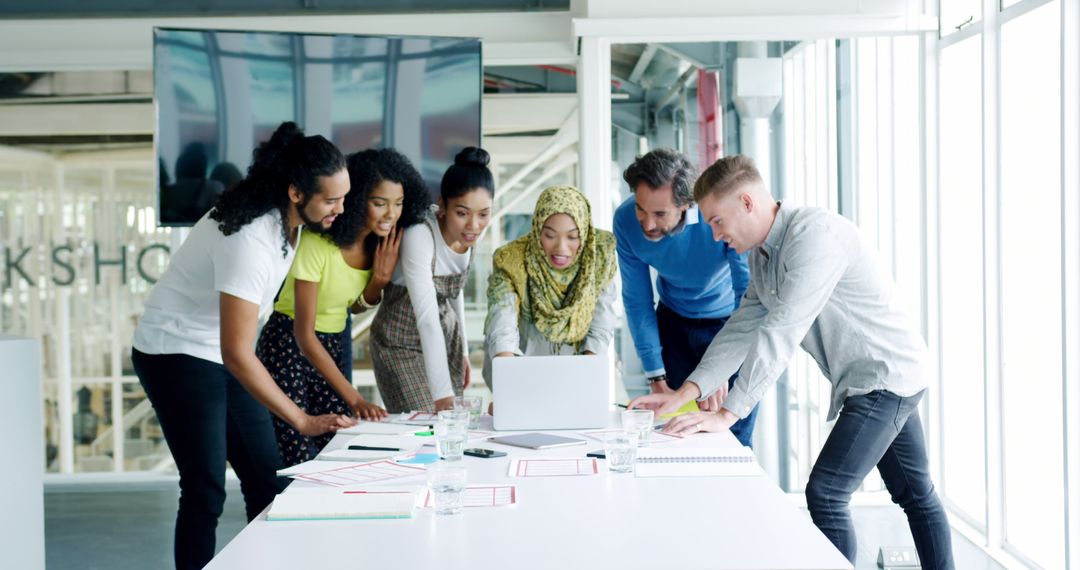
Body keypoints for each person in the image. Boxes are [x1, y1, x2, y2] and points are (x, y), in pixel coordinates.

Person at [630, 155, 954, 568]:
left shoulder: (815, 238)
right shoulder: (762, 254)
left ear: (747, 203)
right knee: (916, 493)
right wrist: (686, 392)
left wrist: (729, 413)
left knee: (827, 493)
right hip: (874, 379)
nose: (714, 235)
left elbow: (781, 330)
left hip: (887, 379)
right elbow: (743, 327)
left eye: (716, 221)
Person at [131, 122, 357, 570]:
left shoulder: (289, 227)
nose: (339, 209)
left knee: (266, 479)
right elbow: (237, 351)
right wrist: (301, 419)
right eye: (331, 200)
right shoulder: (250, 238)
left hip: (220, 353)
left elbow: (233, 350)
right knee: (205, 487)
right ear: (296, 193)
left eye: (344, 197)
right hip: (174, 351)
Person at [256, 148, 431, 467]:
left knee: (332, 450)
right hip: (288, 343)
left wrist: (378, 280)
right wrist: (355, 398)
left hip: (334, 342)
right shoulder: (316, 243)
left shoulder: (383, 246)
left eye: (399, 203)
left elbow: (351, 307)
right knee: (295, 453)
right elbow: (304, 334)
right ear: (356, 198)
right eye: (379, 203)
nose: (391, 213)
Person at [614, 148, 757, 447]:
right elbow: (638, 301)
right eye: (641, 208)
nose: (647, 224)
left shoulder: (714, 216)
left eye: (660, 214)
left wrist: (719, 368)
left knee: (733, 436)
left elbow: (746, 291)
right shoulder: (626, 221)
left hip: (729, 324)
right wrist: (656, 375)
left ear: (687, 205)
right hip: (673, 326)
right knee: (677, 434)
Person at [370, 147, 494, 413]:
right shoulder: (420, 235)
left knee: (451, 429)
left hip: (443, 337)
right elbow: (425, 318)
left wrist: (461, 351)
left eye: (484, 214)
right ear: (443, 205)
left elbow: (454, 291)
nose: (474, 225)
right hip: (398, 342)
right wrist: (442, 394)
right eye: (462, 213)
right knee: (426, 424)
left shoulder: (473, 234)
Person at [482, 185, 618, 388]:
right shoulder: (510, 260)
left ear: (585, 234)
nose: (561, 248)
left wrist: (583, 384)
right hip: (518, 374)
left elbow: (600, 327)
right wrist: (507, 389)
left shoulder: (599, 258)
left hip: (577, 375)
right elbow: (503, 326)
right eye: (550, 235)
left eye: (572, 237)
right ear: (537, 231)